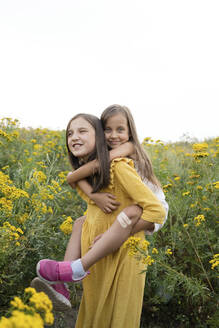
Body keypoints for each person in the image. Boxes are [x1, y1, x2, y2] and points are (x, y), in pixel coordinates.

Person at [35, 111, 166, 327]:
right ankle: (63, 282)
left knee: (116, 317)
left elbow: (156, 210)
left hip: (130, 239)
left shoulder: (122, 160)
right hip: (103, 253)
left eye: (82, 131)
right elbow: (79, 182)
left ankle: (73, 270)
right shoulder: (94, 171)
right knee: (80, 222)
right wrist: (92, 193)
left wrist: (116, 230)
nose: (114, 135)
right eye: (70, 133)